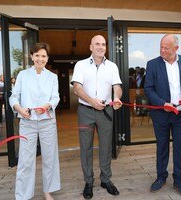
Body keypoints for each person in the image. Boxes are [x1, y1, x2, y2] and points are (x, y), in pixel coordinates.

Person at [144, 34, 181, 199]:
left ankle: (179, 180)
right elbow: (149, 89)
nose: (163, 50)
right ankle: (161, 177)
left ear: (176, 48)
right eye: (161, 47)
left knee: (180, 147)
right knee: (161, 146)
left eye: (167, 48)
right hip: (161, 113)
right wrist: (163, 104)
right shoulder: (152, 64)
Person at [71, 35, 123, 199]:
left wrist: (116, 98)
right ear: (90, 47)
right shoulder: (81, 65)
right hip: (86, 111)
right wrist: (92, 101)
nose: (101, 47)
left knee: (106, 147)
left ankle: (106, 180)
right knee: (85, 148)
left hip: (106, 111)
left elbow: (117, 87)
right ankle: (88, 182)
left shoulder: (112, 66)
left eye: (103, 44)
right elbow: (77, 88)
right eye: (97, 44)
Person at [9, 42, 61, 200]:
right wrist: (19, 109)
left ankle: (48, 191)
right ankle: (23, 195)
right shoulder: (23, 75)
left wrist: (47, 106)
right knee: (25, 160)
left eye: (43, 56)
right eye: (37, 55)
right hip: (27, 123)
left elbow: (55, 97)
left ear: (47, 58)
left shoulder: (52, 77)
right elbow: (14, 96)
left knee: (49, 157)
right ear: (31, 56)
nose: (40, 58)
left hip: (47, 123)